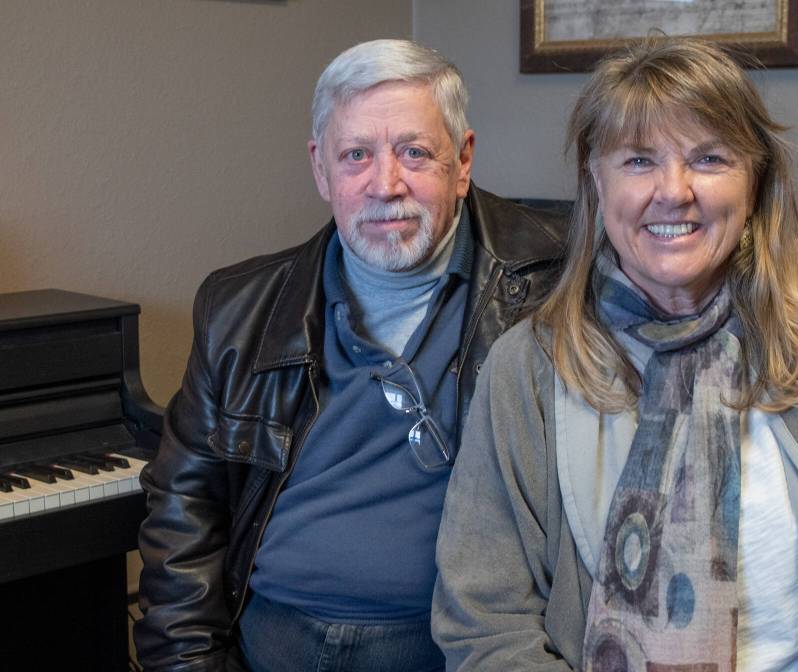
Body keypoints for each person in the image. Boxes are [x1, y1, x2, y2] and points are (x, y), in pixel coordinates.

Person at [432, 40, 798, 671]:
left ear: (756, 179)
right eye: (638, 160)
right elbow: (484, 624)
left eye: (709, 158)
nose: (673, 191)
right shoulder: (529, 369)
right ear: (595, 180)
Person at [133, 39, 568, 671]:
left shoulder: (558, 284)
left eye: (414, 152)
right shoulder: (239, 309)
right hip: (271, 638)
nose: (384, 184)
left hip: (453, 646)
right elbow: (183, 514)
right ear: (320, 169)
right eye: (355, 155)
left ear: (463, 159)